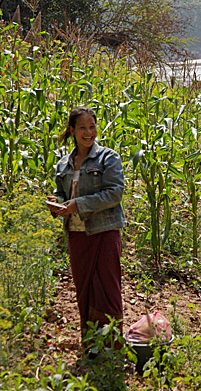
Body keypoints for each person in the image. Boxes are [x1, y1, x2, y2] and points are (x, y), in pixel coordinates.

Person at [46, 106, 126, 349]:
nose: (88, 132)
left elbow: (115, 193)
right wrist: (56, 204)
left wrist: (78, 204)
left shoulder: (108, 158)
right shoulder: (63, 164)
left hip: (104, 231)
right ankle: (91, 344)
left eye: (92, 126)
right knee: (84, 289)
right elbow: (61, 193)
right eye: (82, 127)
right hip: (77, 234)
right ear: (72, 131)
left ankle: (111, 346)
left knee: (107, 289)